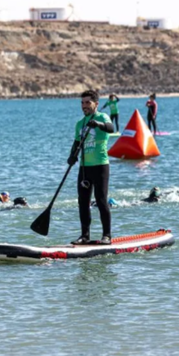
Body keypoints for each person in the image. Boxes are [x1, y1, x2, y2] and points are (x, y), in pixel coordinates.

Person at [68, 90, 114, 245]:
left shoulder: (102, 117)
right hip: (84, 167)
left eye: (88, 102)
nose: (84, 106)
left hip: (100, 165)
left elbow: (110, 128)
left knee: (101, 200)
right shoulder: (80, 124)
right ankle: (84, 236)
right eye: (82, 103)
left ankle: (107, 236)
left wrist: (98, 124)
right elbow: (76, 142)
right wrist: (72, 155)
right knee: (83, 201)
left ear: (96, 104)